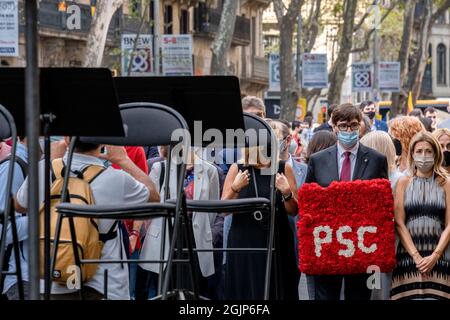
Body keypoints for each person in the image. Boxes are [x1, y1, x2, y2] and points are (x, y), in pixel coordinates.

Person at [15, 139, 159, 300]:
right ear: (102, 142)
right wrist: (123, 160)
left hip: (50, 282)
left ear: (67, 140)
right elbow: (154, 200)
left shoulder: (44, 170)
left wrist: (49, 161)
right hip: (103, 285)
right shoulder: (117, 179)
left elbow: (20, 205)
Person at [305, 103, 388, 300]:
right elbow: (309, 203)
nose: (348, 130)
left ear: (360, 126)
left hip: (362, 244)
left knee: (359, 296)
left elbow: (383, 204)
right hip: (327, 244)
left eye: (353, 125)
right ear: (334, 127)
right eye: (343, 125)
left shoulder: (376, 159)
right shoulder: (317, 160)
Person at [139, 148, 221, 299]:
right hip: (165, 234)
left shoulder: (210, 171)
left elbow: (212, 209)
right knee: (163, 287)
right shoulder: (160, 168)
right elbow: (149, 202)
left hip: (195, 238)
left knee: (193, 288)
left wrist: (201, 228)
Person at [222, 141, 300, 300]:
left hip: (277, 239)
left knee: (277, 288)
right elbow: (223, 209)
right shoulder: (238, 169)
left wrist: (286, 192)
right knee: (245, 290)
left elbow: (293, 210)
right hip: (244, 241)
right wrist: (235, 187)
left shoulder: (283, 168)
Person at [391, 131, 450, 300]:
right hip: (408, 257)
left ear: (436, 154)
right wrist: (416, 256)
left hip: (439, 256)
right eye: (419, 151)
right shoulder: (403, 182)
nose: (424, 156)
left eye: (428, 151)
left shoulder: (446, 183)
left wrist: (435, 256)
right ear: (412, 154)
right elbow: (399, 223)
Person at [360, 131, 404, 300]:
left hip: (383, 246)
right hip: (378, 245)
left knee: (377, 290)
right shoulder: (398, 178)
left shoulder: (398, 180)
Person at [0, 137, 29, 299]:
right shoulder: (14, 166)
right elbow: (3, 229)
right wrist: (45, 220)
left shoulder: (48, 163)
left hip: (56, 274)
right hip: (23, 278)